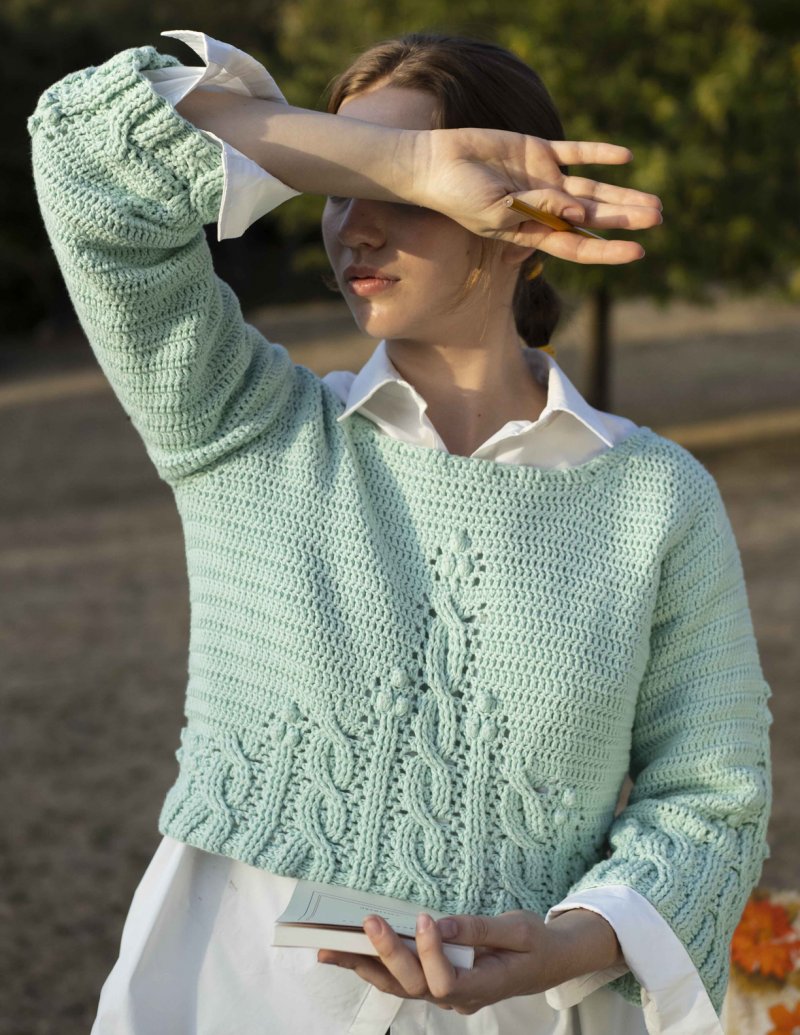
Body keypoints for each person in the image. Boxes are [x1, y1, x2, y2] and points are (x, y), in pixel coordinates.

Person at [28, 27, 771, 1035]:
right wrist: (405, 163)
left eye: (404, 193)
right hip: (230, 999)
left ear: (524, 217)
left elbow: (710, 797)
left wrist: (571, 942)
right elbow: (83, 143)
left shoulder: (654, 498)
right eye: (342, 182)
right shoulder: (244, 422)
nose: (355, 227)